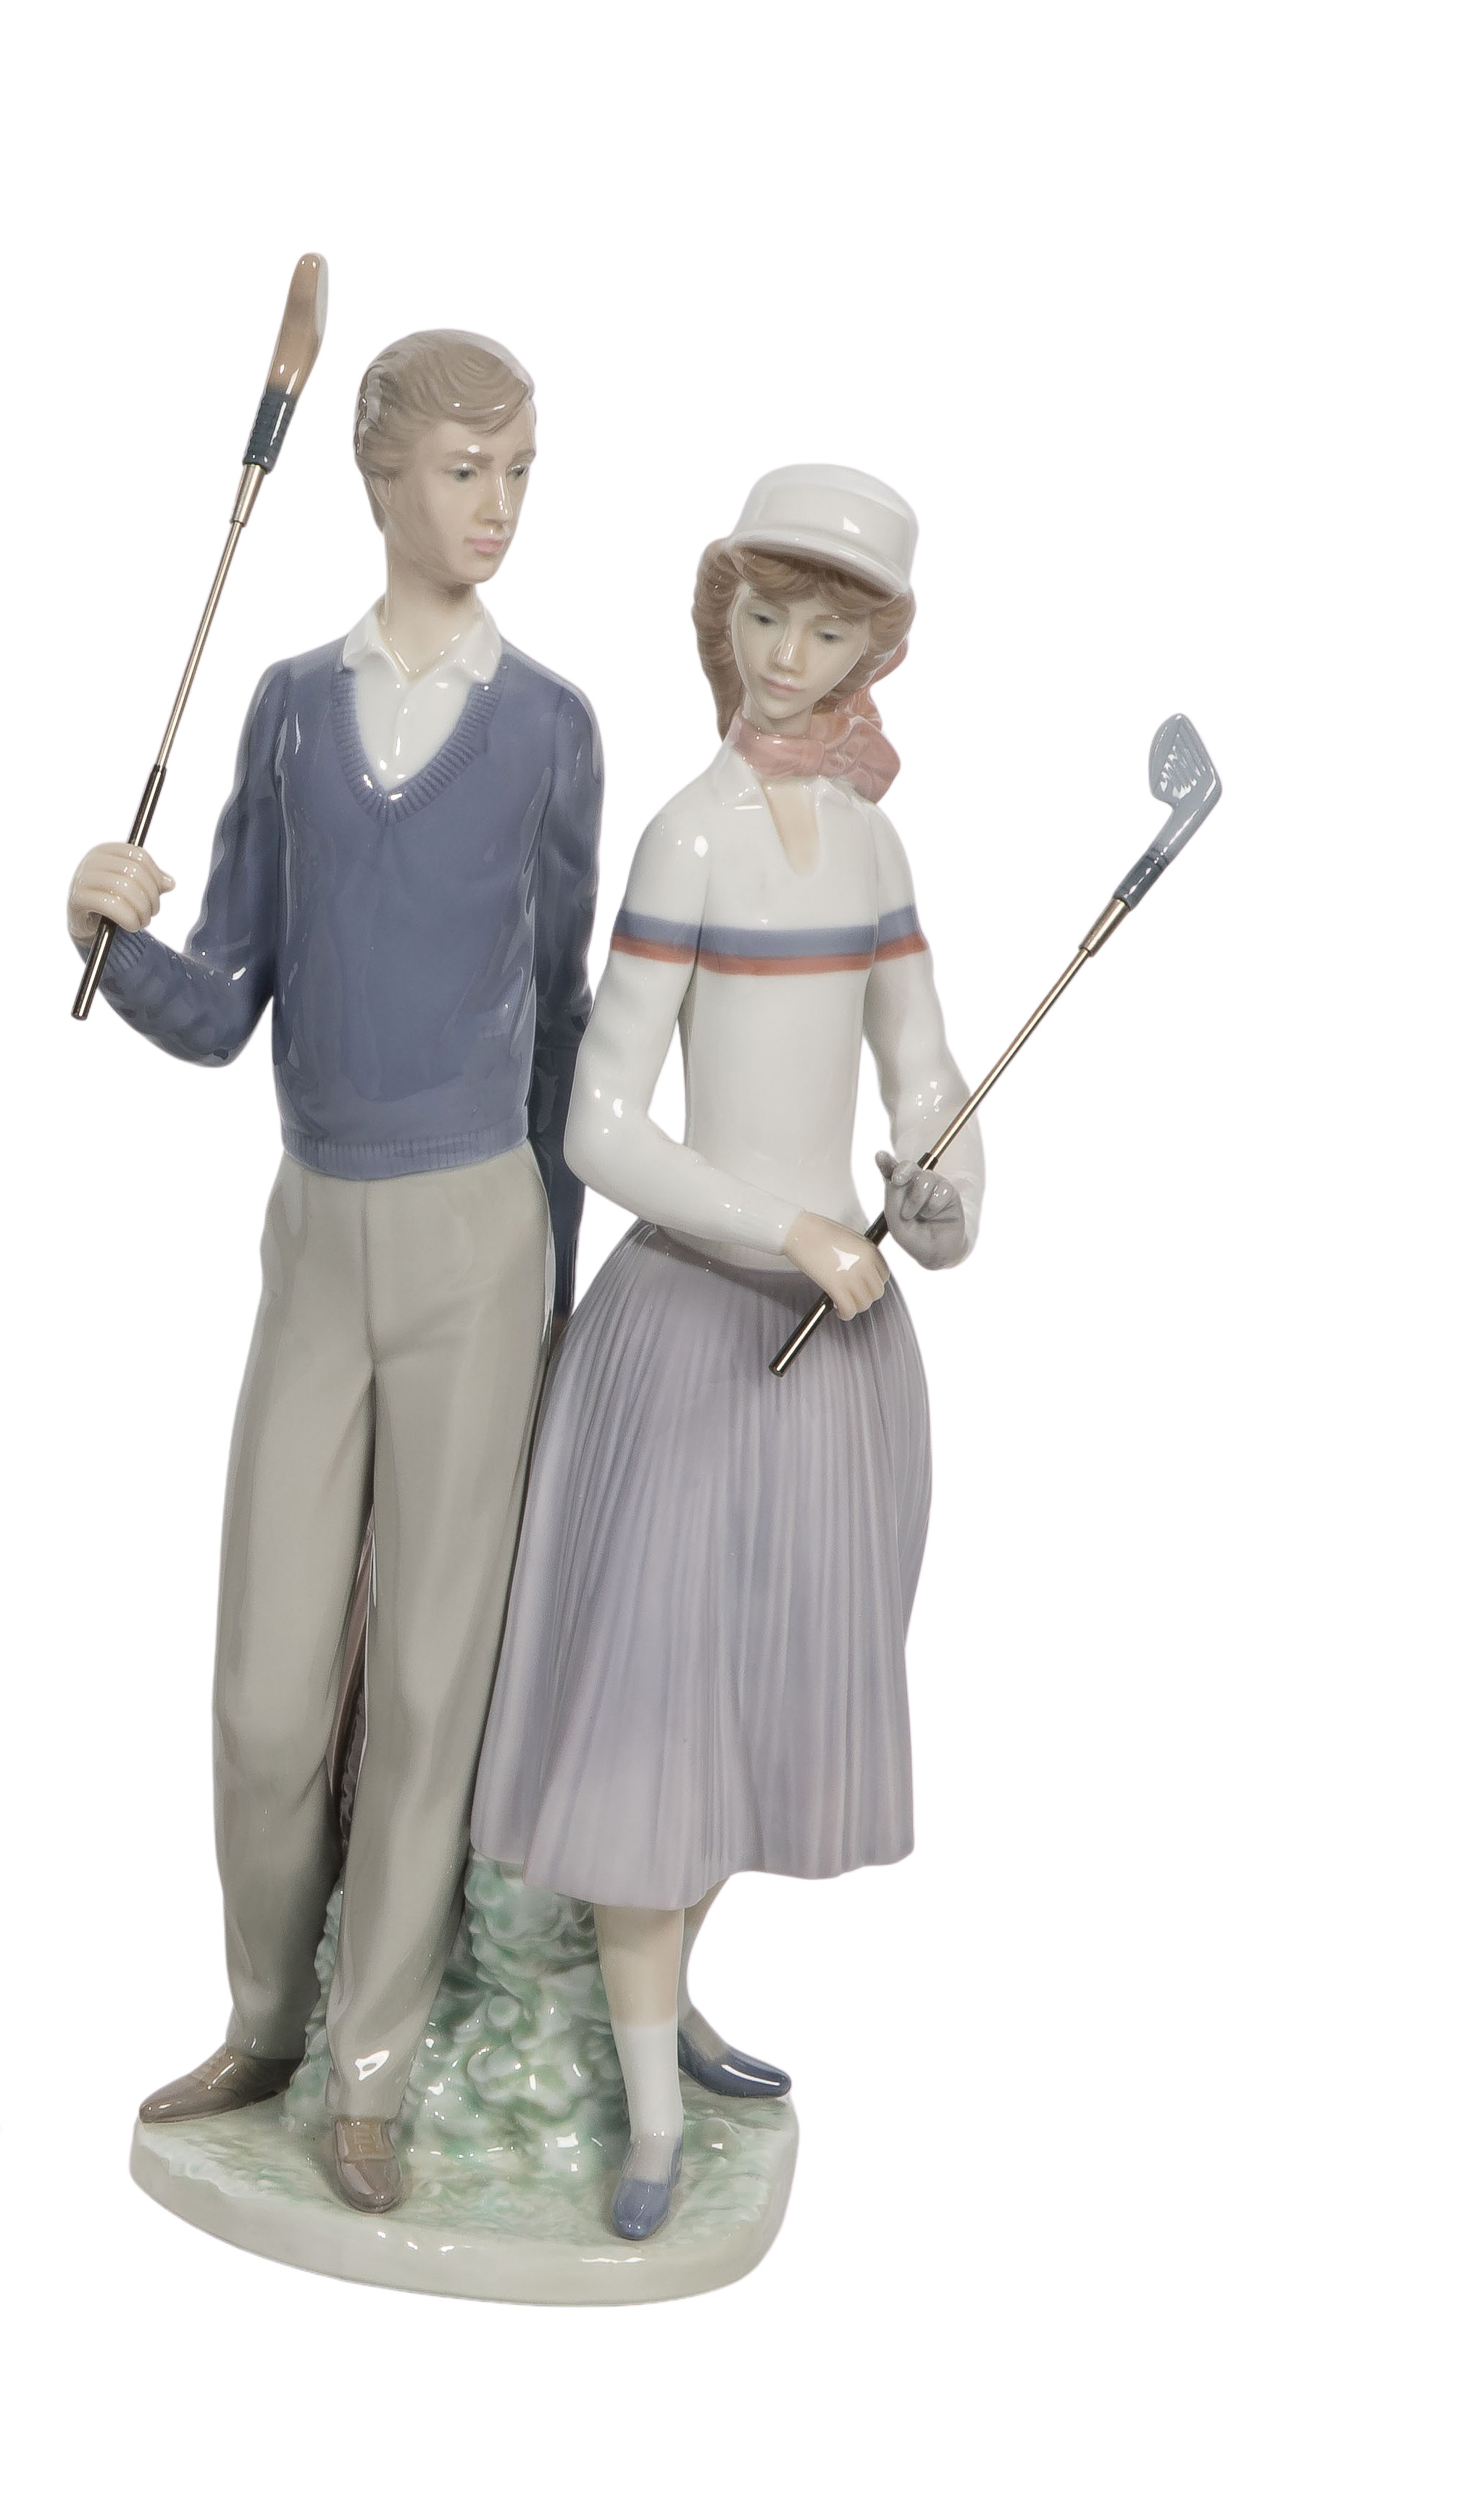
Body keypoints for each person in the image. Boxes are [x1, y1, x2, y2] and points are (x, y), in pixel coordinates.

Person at [66, 330, 598, 2211]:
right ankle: (264, 2015)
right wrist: (108, 936)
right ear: (376, 479)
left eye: (517, 470)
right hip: (314, 1226)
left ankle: (370, 2063)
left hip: (479, 1227)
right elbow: (223, 1000)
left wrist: (554, 1272)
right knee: (268, 1687)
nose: (496, 506)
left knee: (435, 1678)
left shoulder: (549, 727)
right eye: (464, 469)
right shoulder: (289, 711)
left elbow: (561, 1020)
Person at [468, 465, 978, 2241]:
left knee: (758, 1706)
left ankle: (668, 1999)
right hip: (696, 1336)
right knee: (649, 1730)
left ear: (873, 649)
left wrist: (938, 1186)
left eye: (824, 628)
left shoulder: (872, 846)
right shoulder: (685, 837)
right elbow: (600, 1122)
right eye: (761, 615)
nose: (783, 653)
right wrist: (783, 1230)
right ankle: (644, 2113)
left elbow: (920, 1058)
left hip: (836, 1356)